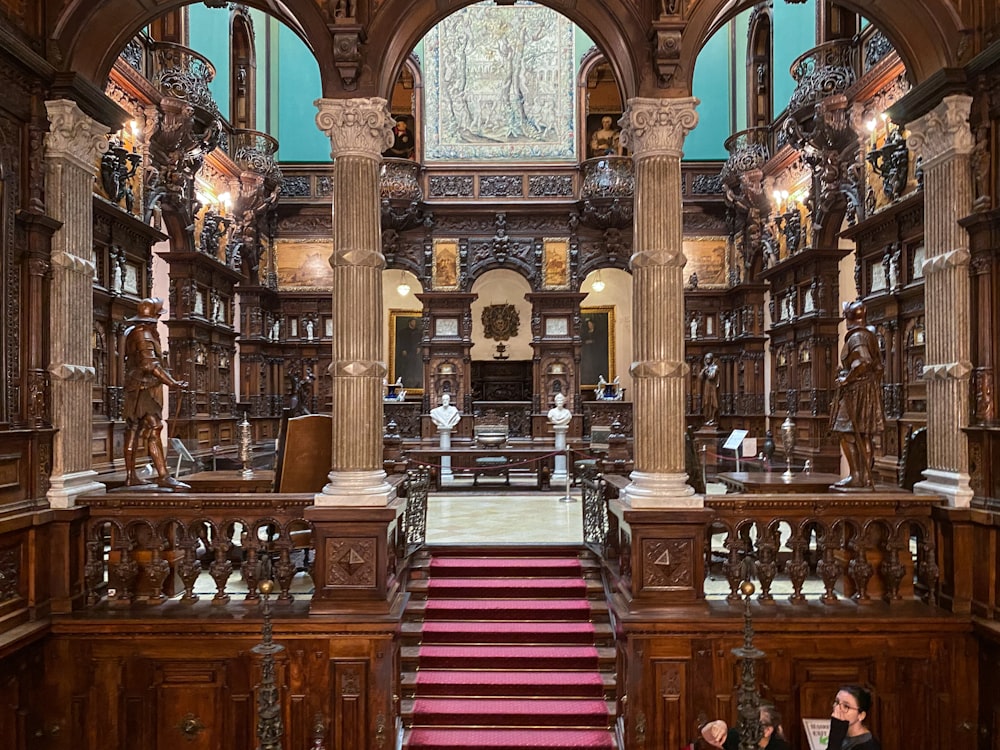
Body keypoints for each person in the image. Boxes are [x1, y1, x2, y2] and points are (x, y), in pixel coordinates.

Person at [123, 297, 190, 490]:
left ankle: (131, 476)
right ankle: (162, 475)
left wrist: (172, 381)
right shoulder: (143, 334)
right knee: (154, 428)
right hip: (143, 389)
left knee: (134, 429)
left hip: (137, 387)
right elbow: (149, 364)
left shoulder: (138, 332)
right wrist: (172, 384)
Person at [830, 300, 885, 488]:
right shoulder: (868, 334)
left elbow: (863, 361)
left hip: (857, 391)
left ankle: (856, 475)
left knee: (846, 432)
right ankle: (864, 478)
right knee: (863, 435)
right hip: (866, 389)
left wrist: (847, 379)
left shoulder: (857, 337)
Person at [828, 685, 881, 750]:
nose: (837, 708)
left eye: (846, 706)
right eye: (837, 702)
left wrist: (835, 734)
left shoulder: (869, 746)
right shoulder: (841, 735)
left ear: (861, 715)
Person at [701, 352, 720, 426]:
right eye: (706, 359)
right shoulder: (706, 367)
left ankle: (712, 418)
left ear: (711, 359)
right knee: (706, 402)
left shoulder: (715, 367)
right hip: (706, 385)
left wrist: (706, 372)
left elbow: (711, 377)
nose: (707, 360)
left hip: (712, 386)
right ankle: (707, 418)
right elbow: (700, 377)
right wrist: (703, 370)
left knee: (713, 402)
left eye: (708, 359)